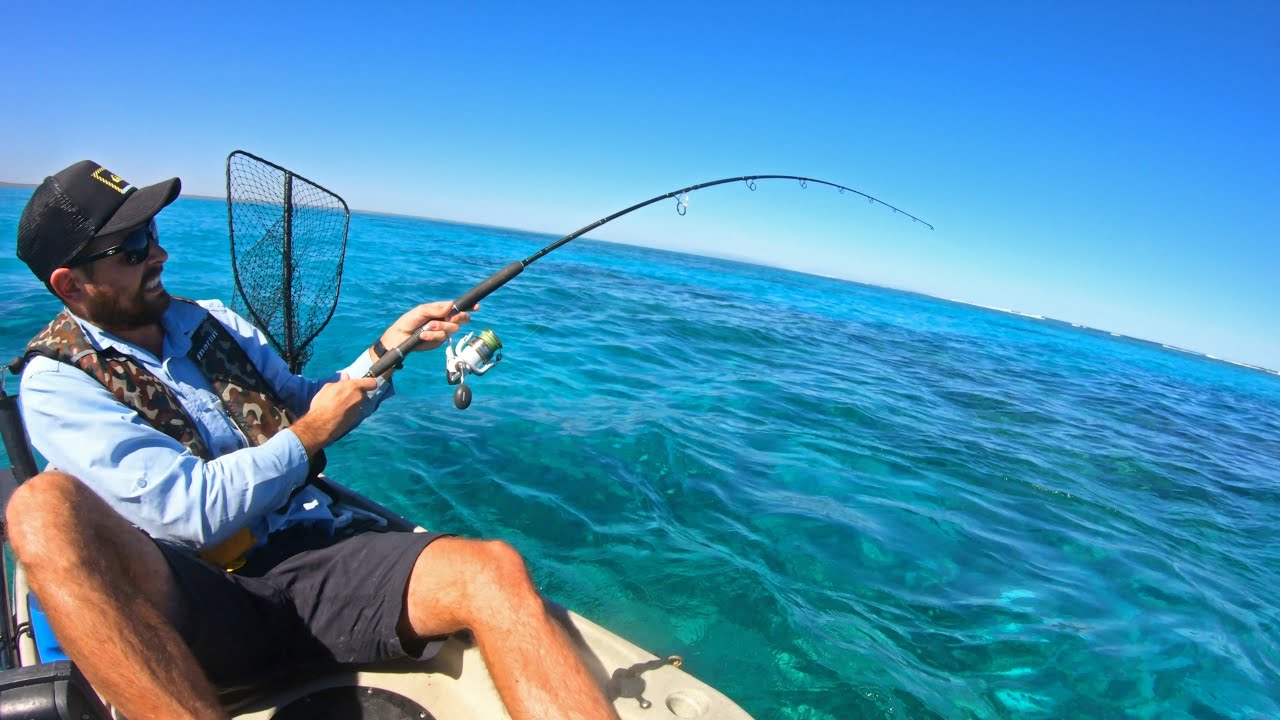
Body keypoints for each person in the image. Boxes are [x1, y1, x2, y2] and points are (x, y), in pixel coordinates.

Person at [5, 160, 619, 720]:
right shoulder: (56, 384)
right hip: (200, 602)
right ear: (71, 285)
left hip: (311, 558)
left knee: (494, 570)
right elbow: (187, 513)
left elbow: (301, 403)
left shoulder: (210, 321)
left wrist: (388, 348)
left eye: (155, 234)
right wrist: (309, 436)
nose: (159, 254)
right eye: (134, 247)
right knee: (40, 508)